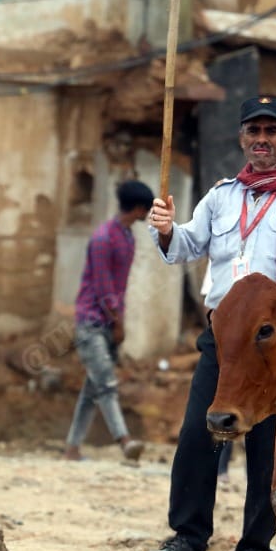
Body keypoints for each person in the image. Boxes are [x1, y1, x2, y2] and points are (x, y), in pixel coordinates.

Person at [143, 95, 276, 551]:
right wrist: (166, 229)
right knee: (199, 432)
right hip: (224, 334)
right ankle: (187, 540)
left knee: (270, 443)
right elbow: (186, 247)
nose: (262, 140)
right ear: (242, 138)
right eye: (254, 131)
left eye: (272, 131)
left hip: (275, 339)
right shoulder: (221, 195)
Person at [62, 180, 154, 464]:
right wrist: (118, 322)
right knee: (106, 385)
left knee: (93, 390)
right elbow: (103, 289)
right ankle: (125, 442)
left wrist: (118, 322)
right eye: (147, 209)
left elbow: (119, 287)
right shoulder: (103, 238)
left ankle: (72, 449)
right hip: (91, 322)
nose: (148, 214)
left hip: (109, 323)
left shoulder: (127, 237)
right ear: (138, 208)